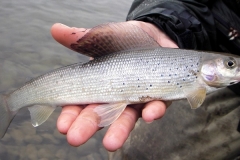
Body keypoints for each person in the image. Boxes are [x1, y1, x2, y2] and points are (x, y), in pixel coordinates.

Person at [51, 0, 240, 155]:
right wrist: (164, 23)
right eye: (230, 65)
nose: (233, 66)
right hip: (216, 43)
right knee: (132, 152)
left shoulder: (202, 85)